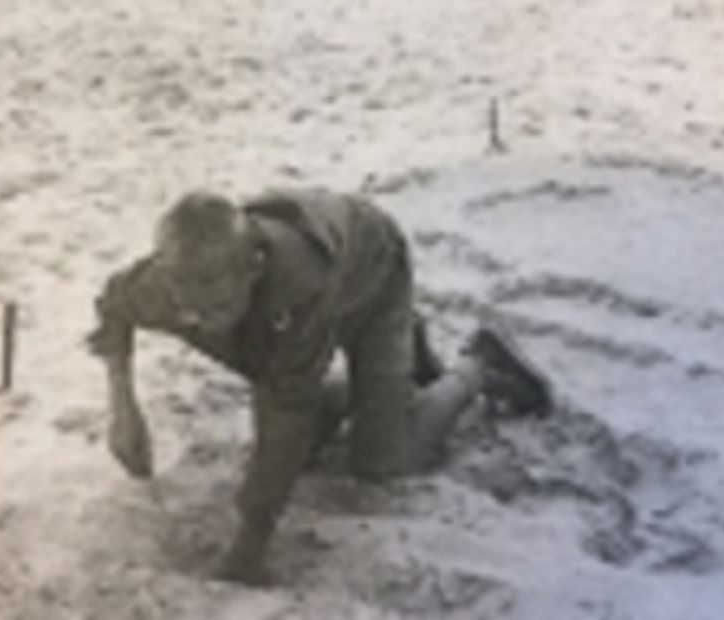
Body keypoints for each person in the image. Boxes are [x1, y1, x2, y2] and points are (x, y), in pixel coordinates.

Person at [87, 188, 551, 584]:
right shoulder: (169, 281)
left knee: (381, 460)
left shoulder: (297, 284)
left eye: (216, 307)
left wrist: (250, 546)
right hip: (303, 310)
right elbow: (114, 307)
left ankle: (478, 364)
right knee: (293, 421)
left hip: (373, 275)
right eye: (186, 307)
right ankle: (393, 365)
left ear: (254, 267)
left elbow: (288, 410)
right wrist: (124, 409)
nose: (198, 322)